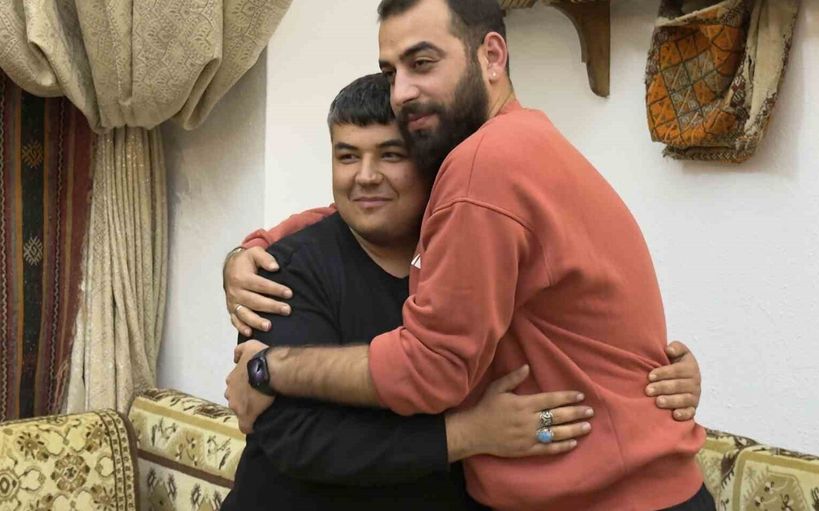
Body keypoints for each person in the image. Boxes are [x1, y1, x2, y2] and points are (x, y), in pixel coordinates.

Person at [226, 0, 715, 509]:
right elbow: (294, 434)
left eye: (423, 62)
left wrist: (271, 369)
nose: (402, 91)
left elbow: (436, 371)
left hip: (609, 494)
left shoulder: (482, 170)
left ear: (492, 56)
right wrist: (251, 248)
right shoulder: (522, 147)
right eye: (391, 73)